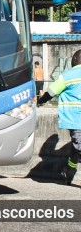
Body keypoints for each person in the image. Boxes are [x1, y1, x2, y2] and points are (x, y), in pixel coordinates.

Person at [38, 50, 81, 185]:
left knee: (78, 147)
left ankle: (69, 172)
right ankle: (69, 172)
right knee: (77, 147)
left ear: (74, 60)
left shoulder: (68, 76)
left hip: (75, 120)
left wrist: (40, 101)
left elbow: (51, 92)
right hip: (76, 120)